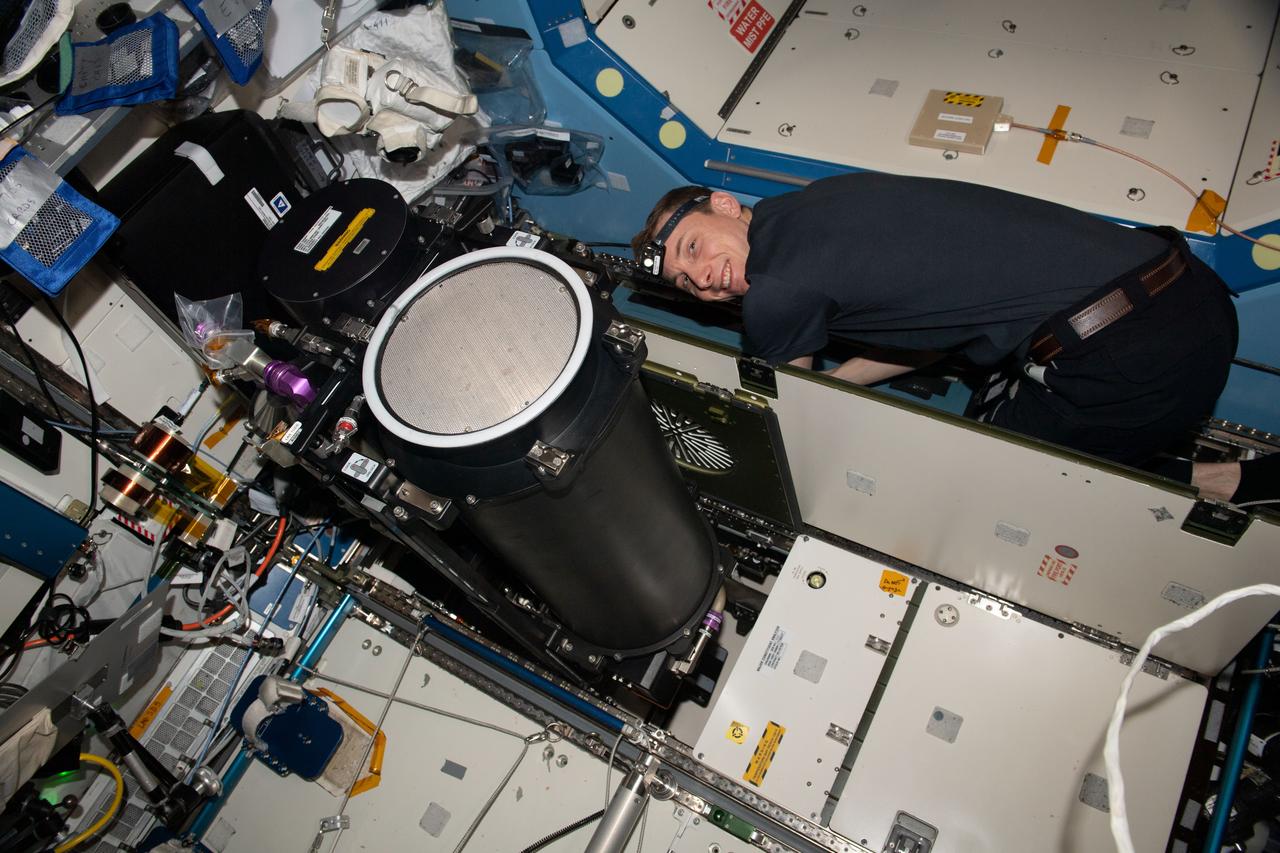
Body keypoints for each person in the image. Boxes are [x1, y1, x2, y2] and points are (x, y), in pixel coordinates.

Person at [632, 172, 1278, 505]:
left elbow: (783, 418)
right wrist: (838, 384)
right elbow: (928, 332)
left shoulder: (775, 292)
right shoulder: (814, 204)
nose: (703, 278)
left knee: (988, 486)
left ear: (723, 204)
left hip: (1132, 358)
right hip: (1187, 294)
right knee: (989, 414)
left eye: (692, 248)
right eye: (687, 283)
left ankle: (1220, 484)